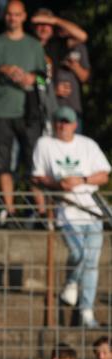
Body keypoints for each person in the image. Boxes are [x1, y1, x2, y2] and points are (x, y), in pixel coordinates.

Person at [32, 106, 111, 329]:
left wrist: (82, 180)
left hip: (91, 210)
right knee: (79, 253)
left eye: (67, 122)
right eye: (59, 121)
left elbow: (104, 175)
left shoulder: (87, 145)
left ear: (75, 124)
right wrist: (59, 184)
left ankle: (86, 309)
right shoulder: (44, 144)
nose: (63, 126)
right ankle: (72, 283)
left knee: (92, 262)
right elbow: (36, 176)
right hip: (65, 210)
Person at [0, 0, 48, 222]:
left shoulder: (34, 45)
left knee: (33, 161)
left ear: (24, 16)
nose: (13, 18)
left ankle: (41, 211)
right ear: (5, 16)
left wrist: (30, 78)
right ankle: (8, 210)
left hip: (28, 111)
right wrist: (1, 71)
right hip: (1, 109)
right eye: (9, 14)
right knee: (3, 162)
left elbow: (44, 77)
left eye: (17, 14)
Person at [31, 9, 90, 129]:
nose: (44, 28)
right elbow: (34, 78)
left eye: (48, 25)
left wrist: (55, 20)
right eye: (40, 24)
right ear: (33, 27)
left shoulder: (57, 45)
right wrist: (52, 90)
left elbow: (83, 36)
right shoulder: (25, 46)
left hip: (58, 109)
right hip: (32, 111)